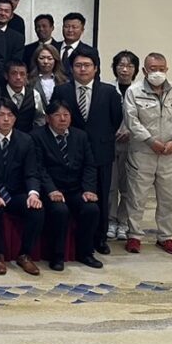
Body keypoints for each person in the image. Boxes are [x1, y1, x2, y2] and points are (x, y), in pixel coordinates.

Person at [51, 48, 122, 255]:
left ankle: (99, 238)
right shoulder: (61, 91)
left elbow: (115, 120)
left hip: (101, 152)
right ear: (71, 68)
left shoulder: (109, 92)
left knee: (101, 195)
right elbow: (56, 117)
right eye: (78, 65)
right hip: (71, 152)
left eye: (87, 65)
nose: (83, 69)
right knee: (76, 196)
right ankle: (74, 239)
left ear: (95, 68)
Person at [123, 53, 172, 255]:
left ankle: (166, 236)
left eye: (161, 69)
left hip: (168, 153)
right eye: (153, 69)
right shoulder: (134, 91)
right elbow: (131, 121)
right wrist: (150, 141)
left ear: (167, 69)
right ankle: (134, 236)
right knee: (137, 197)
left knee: (169, 198)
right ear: (144, 71)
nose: (157, 73)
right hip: (142, 153)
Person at [31, 100, 104, 270]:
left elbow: (89, 165)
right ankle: (57, 256)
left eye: (66, 115)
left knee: (91, 209)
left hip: (75, 189)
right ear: (47, 118)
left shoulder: (80, 136)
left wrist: (88, 189)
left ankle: (85, 253)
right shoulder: (37, 136)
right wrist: (51, 190)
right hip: (50, 190)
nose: (62, 119)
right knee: (59, 210)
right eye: (57, 115)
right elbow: (38, 168)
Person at [0, 99, 44, 276]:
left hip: (15, 192)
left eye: (10, 115)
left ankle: (25, 255)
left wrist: (33, 194)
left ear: (15, 118)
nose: (6, 119)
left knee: (36, 210)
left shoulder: (25, 140)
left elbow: (32, 172)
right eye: (1, 115)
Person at [107, 50, 139, 242]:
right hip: (110, 144)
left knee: (128, 187)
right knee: (111, 186)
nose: (124, 70)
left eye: (129, 66)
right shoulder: (108, 89)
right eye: (121, 65)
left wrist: (131, 132)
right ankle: (111, 221)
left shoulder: (140, 91)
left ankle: (123, 222)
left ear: (135, 69)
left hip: (133, 145)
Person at [0, 60, 46, 132]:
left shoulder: (34, 94)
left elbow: (40, 118)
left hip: (27, 136)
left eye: (22, 74)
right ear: (6, 76)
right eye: (14, 73)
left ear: (26, 76)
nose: (18, 77)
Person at [28, 43, 69, 107]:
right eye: (41, 58)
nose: (46, 62)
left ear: (56, 60)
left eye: (50, 58)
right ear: (36, 60)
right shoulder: (28, 81)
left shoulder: (64, 81)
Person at [0, 0, 25, 65]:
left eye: (6, 11)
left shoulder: (18, 38)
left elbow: (15, 63)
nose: (3, 13)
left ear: (11, 16)